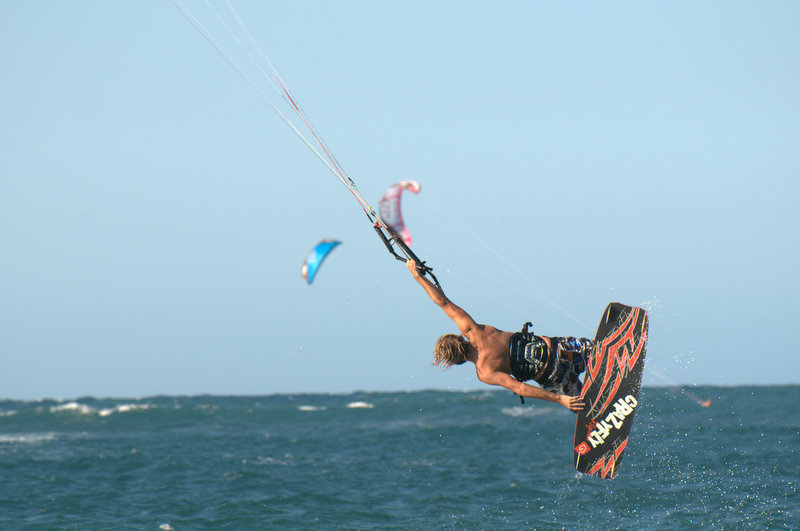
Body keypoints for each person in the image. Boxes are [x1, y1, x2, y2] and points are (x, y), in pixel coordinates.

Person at [407, 259, 592, 412]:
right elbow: (443, 302)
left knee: (589, 408)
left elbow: (519, 388)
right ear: (459, 339)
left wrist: (561, 400)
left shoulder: (485, 372)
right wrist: (417, 276)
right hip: (561, 350)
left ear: (455, 362)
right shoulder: (473, 331)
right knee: (603, 350)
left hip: (555, 378)